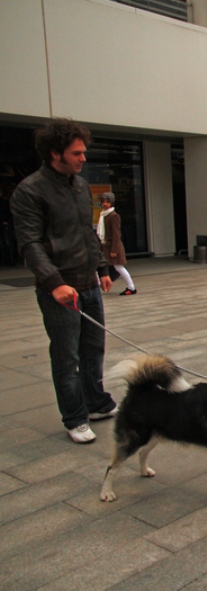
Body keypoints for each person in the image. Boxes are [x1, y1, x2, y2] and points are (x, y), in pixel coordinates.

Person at [10, 118, 117, 443]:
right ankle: (74, 417)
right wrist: (54, 282)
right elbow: (29, 244)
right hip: (59, 289)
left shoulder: (81, 186)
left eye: (84, 152)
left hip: (88, 283)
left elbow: (87, 232)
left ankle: (96, 402)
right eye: (77, 153)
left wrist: (101, 268)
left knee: (93, 349)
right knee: (66, 355)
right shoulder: (30, 191)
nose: (83, 158)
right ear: (55, 153)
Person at [97, 192, 136, 295]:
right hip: (105, 246)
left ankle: (131, 287)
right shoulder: (103, 215)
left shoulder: (113, 216)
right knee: (100, 266)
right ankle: (96, 288)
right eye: (103, 202)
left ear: (111, 203)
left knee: (119, 267)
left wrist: (114, 250)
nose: (105, 204)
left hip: (113, 246)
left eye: (107, 202)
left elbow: (116, 234)